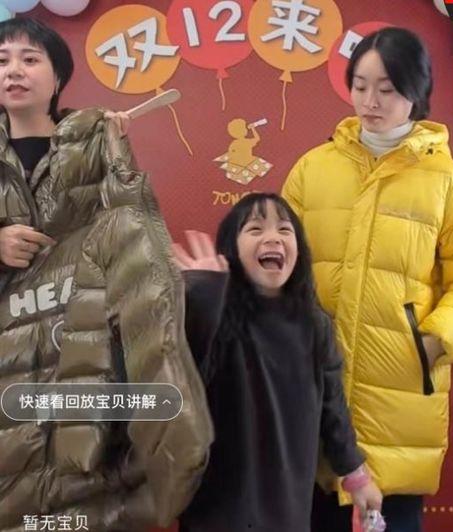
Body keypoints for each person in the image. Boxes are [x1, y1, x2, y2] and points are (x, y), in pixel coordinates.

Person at [281, 27, 453, 532]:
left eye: (387, 88)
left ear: (416, 93)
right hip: (313, 390)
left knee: (391, 518)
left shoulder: (448, 182)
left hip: (398, 397)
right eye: (360, 86)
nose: (370, 101)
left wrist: (431, 341)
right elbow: (281, 264)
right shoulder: (313, 168)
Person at [0, 17, 212, 530]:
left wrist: (114, 155)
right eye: (2, 60)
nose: (13, 70)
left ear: (58, 77)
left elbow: (133, 233)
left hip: (79, 337)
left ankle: (172, 448)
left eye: (30, 59)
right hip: (7, 344)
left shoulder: (92, 143)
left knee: (81, 473)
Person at [172, 192, 382, 532]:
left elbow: (333, 410)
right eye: (255, 229)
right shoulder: (214, 310)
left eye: (285, 230)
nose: (273, 237)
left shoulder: (315, 324)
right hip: (218, 507)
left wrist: (357, 477)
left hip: (288, 506)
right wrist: (203, 295)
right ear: (231, 249)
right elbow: (185, 384)